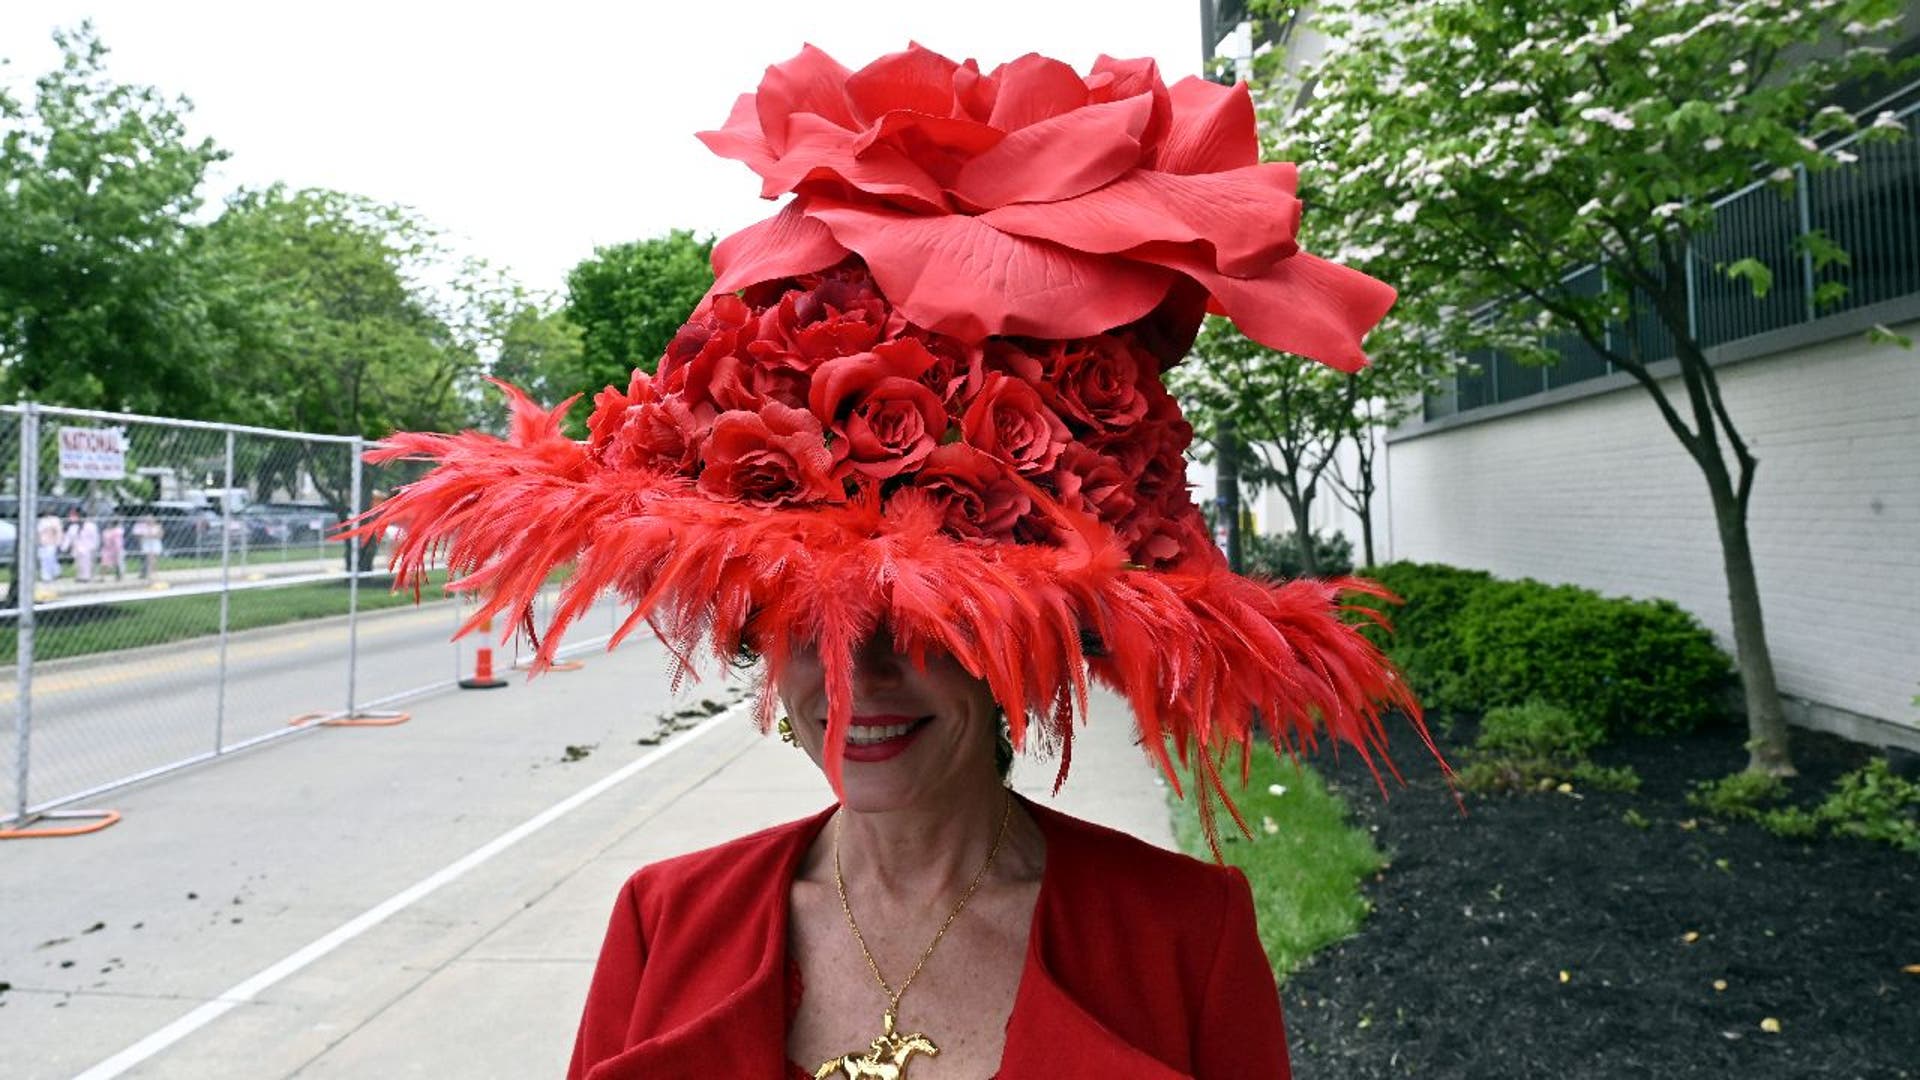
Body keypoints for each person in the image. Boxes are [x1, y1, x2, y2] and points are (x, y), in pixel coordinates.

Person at [359, 43, 1427, 1079]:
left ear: (1023, 643)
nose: (858, 676)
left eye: (921, 624)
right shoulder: (664, 921)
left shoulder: (1185, 939)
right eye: (807, 615)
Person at [65, 510, 100, 583]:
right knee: (78, 564)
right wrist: (65, 546)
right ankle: (80, 576)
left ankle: (86, 577)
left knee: (86, 563)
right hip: (77, 548)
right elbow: (69, 537)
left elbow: (95, 537)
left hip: (88, 548)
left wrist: (94, 547)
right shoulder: (74, 527)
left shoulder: (90, 526)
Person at [132, 514, 164, 580]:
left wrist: (150, 536)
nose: (149, 521)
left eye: (150, 520)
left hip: (155, 544)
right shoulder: (143, 527)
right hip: (147, 545)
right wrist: (148, 536)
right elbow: (140, 536)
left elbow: (160, 535)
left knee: (153, 559)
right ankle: (151, 574)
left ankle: (152, 573)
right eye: (147, 520)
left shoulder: (157, 526)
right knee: (150, 559)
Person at [35, 510, 63, 583]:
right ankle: (48, 575)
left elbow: (58, 531)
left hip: (51, 543)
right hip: (42, 543)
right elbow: (38, 532)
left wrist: (58, 542)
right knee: (44, 559)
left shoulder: (55, 520)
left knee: (50, 559)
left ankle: (48, 576)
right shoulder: (42, 521)